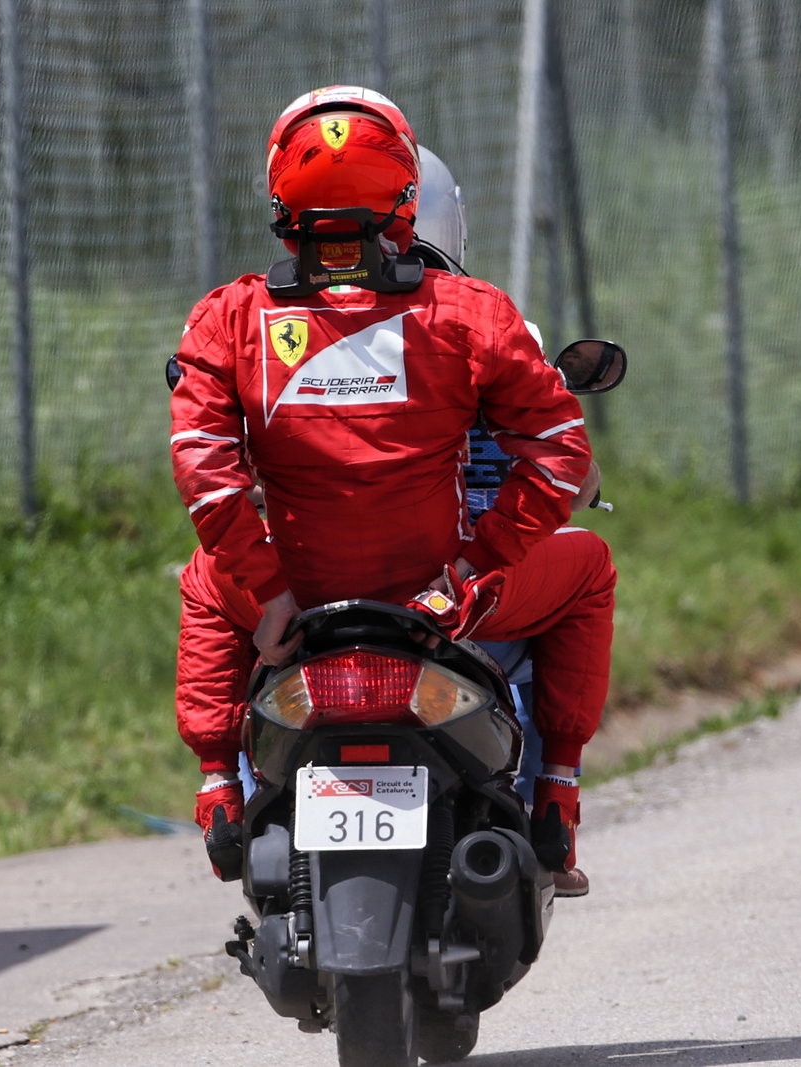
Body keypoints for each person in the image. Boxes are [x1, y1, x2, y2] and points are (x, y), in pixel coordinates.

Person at [171, 85, 615, 895]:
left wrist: (268, 592)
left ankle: (217, 787)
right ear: (405, 198)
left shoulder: (228, 319)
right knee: (589, 568)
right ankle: (556, 791)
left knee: (205, 579)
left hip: (294, 603)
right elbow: (558, 456)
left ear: (279, 200)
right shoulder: (470, 313)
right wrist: (468, 577)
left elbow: (205, 473)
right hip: (437, 603)